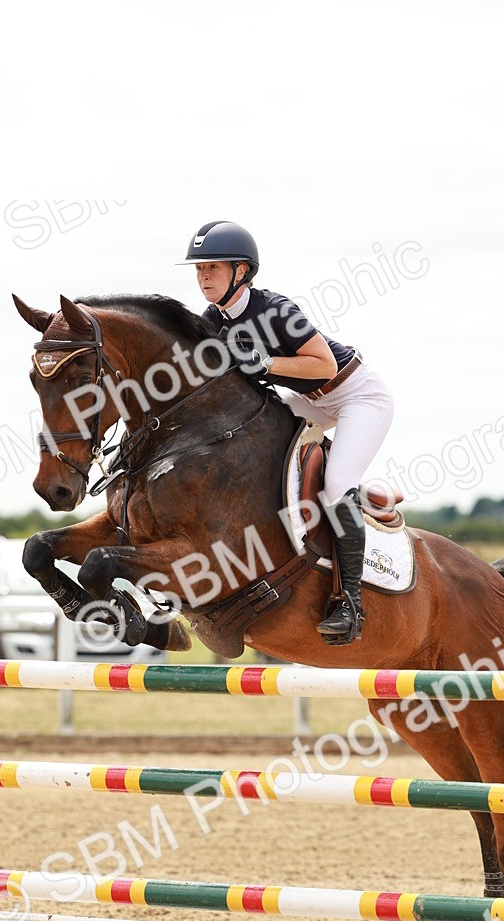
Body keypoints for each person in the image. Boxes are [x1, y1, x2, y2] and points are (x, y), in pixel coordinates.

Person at [179, 219, 394, 645]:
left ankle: (349, 601)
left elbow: (324, 366)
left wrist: (266, 364)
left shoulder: (276, 310)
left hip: (356, 395)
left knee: (336, 482)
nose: (203, 276)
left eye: (213, 267)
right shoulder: (212, 320)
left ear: (242, 271)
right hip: (310, 400)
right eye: (199, 269)